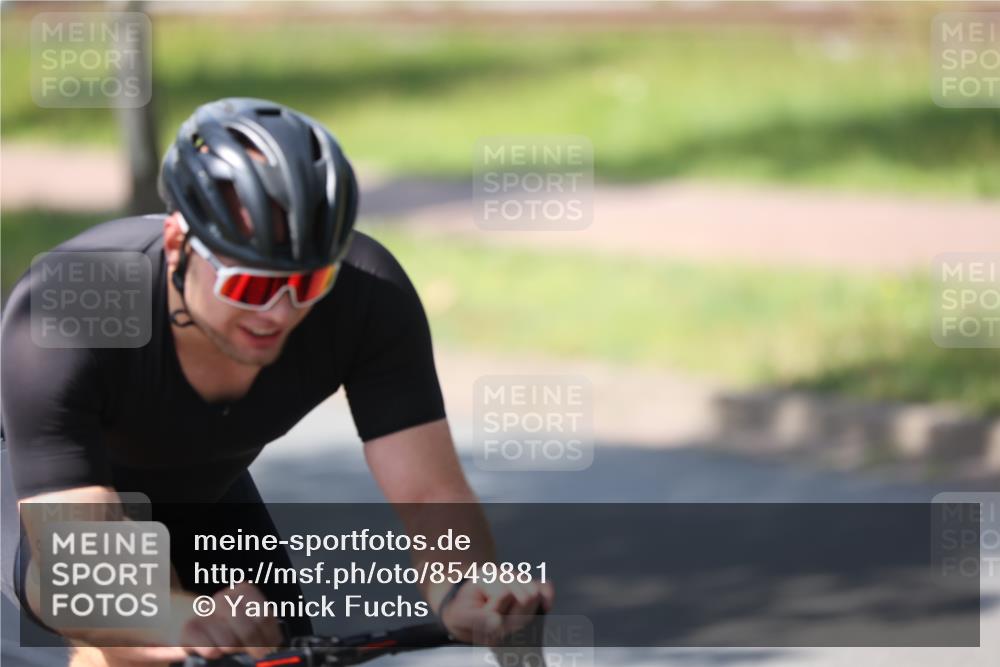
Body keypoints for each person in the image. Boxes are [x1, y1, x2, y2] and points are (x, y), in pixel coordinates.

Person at [1, 98, 553, 667]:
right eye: (251, 287)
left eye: (307, 284)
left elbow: (430, 493)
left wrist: (464, 588)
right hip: (55, 503)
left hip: (206, 487)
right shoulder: (68, 310)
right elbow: (76, 562)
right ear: (178, 246)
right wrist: (177, 618)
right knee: (142, 643)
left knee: (279, 649)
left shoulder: (365, 296)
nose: (279, 313)